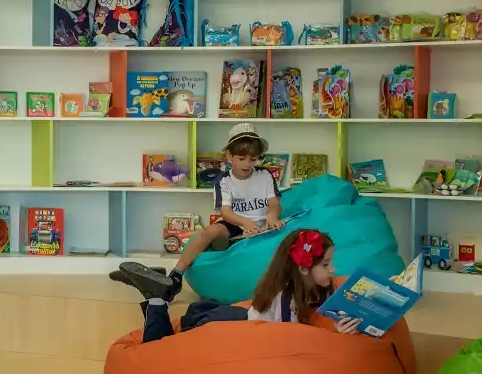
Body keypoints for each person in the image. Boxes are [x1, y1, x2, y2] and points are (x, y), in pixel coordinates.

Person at [111, 228, 362, 343]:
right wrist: (334, 336)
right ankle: (156, 298)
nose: (334, 270)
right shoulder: (287, 298)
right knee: (159, 349)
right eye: (327, 264)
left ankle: (156, 293)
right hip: (226, 328)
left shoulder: (309, 287)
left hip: (239, 318)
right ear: (305, 268)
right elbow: (291, 342)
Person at [132, 123, 284, 298]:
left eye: (252, 159)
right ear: (229, 156)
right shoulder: (224, 180)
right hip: (236, 223)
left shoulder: (264, 175)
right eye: (242, 158)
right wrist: (244, 222)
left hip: (263, 224)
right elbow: (226, 212)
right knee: (211, 231)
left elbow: (274, 202)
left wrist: (272, 215)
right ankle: (176, 276)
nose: (247, 164)